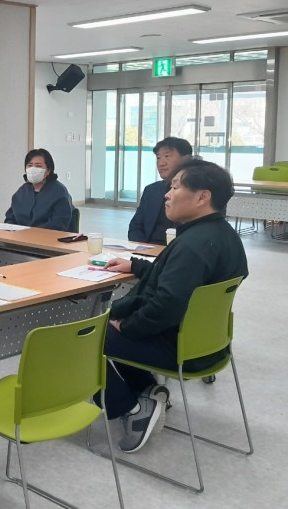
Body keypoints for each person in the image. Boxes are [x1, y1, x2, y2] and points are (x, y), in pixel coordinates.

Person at [102, 158, 248, 453]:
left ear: (202, 197)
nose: (167, 195)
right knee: (110, 327)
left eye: (176, 187)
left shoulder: (192, 245)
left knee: (86, 338)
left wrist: (126, 326)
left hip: (179, 349)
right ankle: (148, 390)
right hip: (209, 345)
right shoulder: (223, 235)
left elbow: (165, 305)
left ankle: (133, 409)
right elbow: (180, 280)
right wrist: (137, 265)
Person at [128, 136, 193, 244]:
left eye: (167, 156)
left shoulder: (196, 192)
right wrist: (143, 249)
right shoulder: (151, 190)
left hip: (180, 250)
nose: (161, 163)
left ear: (186, 159)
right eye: (158, 158)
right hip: (148, 250)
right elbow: (136, 226)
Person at [4, 148, 73, 231]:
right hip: (19, 236)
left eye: (38, 166)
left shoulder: (59, 192)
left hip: (47, 237)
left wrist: (30, 232)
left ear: (48, 171)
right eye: (30, 165)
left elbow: (58, 224)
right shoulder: (22, 191)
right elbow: (10, 217)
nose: (33, 169)